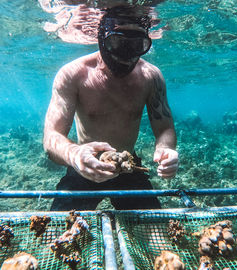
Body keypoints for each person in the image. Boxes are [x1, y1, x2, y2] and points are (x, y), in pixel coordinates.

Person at [43, 6, 178, 211]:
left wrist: (165, 149)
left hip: (128, 166)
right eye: (117, 43)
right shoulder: (73, 74)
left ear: (146, 43)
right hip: (84, 166)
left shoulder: (151, 77)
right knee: (59, 235)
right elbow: (51, 137)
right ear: (101, 39)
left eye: (136, 45)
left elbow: (164, 127)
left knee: (155, 233)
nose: (127, 56)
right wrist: (75, 155)